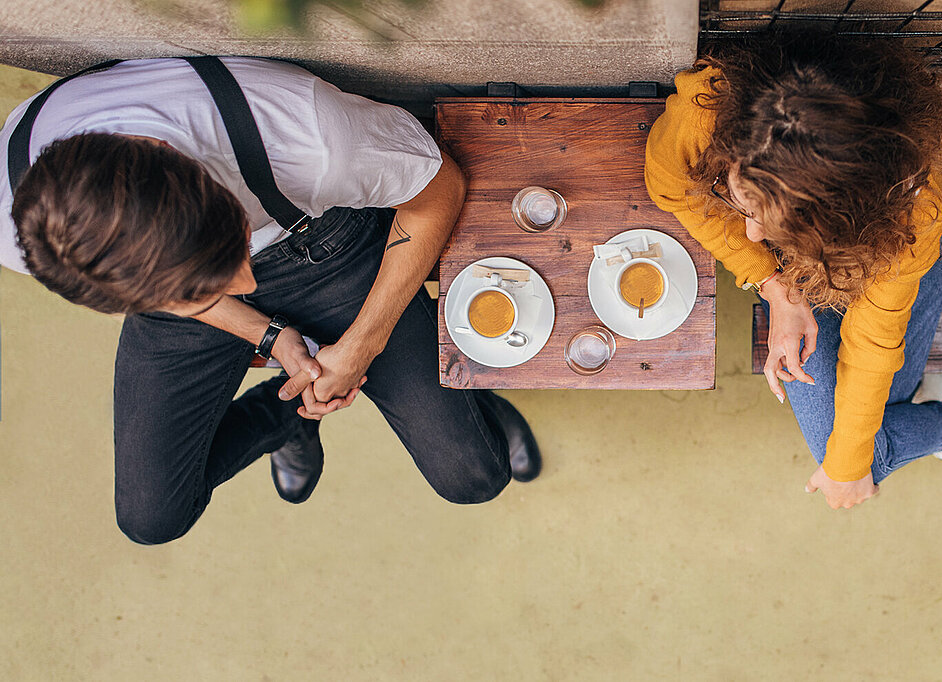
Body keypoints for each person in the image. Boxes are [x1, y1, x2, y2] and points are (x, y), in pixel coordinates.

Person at [1, 56, 542, 544]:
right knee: (151, 520)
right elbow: (182, 295)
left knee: (475, 478)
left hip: (323, 248)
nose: (245, 287)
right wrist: (270, 336)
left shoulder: (305, 136)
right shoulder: (26, 226)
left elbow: (437, 190)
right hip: (167, 290)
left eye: (233, 235)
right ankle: (286, 417)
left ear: (172, 156)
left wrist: (362, 345)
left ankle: (471, 396)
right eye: (208, 281)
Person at [645, 33, 942, 509]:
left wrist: (849, 469)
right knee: (862, 434)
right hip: (806, 254)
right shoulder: (710, 109)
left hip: (893, 255)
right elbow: (668, 184)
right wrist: (776, 286)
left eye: (761, 218)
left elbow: (872, 344)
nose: (750, 236)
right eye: (741, 200)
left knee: (859, 442)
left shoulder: (912, 218)